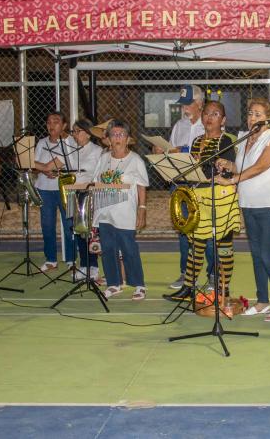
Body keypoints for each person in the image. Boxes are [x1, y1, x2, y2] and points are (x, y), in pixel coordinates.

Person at [216, 97, 270, 322]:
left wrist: (233, 179)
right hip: (248, 203)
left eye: (258, 114)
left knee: (267, 255)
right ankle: (262, 302)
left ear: (268, 117)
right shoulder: (244, 139)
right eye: (250, 113)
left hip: (268, 205)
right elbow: (243, 166)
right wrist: (229, 166)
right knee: (257, 256)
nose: (252, 118)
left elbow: (261, 166)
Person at [164, 101, 241, 302]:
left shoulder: (227, 141)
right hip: (199, 196)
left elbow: (224, 171)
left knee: (224, 245)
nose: (209, 117)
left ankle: (223, 290)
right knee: (196, 245)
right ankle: (188, 287)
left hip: (221, 197)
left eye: (215, 114)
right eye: (206, 113)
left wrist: (202, 166)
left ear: (223, 120)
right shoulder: (197, 141)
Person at [153, 84, 211, 291]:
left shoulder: (209, 124)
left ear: (199, 103)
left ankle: (212, 274)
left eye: (188, 104)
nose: (184, 108)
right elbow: (172, 151)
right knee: (183, 230)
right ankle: (186, 274)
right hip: (180, 183)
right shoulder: (179, 125)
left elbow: (208, 153)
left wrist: (180, 150)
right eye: (183, 104)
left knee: (207, 230)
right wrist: (161, 151)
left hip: (202, 184)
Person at [92, 120, 149, 300]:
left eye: (121, 134)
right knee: (108, 248)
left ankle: (139, 284)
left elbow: (141, 186)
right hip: (105, 211)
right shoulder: (103, 159)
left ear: (127, 138)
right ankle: (114, 283)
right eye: (114, 134)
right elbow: (96, 182)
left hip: (125, 213)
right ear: (108, 139)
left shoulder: (135, 160)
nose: (117, 137)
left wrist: (142, 209)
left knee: (129, 249)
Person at [33, 111, 76, 272]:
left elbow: (67, 163)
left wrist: (45, 166)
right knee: (47, 225)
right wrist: (44, 170)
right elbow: (33, 164)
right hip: (45, 189)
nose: (51, 125)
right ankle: (51, 258)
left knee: (69, 225)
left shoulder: (69, 142)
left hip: (65, 189)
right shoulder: (42, 143)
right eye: (49, 122)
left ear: (64, 125)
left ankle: (71, 258)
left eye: (56, 122)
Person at [68, 118, 106, 282]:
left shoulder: (97, 151)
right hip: (73, 193)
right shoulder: (72, 151)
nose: (75, 135)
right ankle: (84, 265)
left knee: (90, 233)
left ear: (88, 134)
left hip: (89, 194)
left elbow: (96, 174)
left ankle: (93, 267)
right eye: (73, 132)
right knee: (78, 231)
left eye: (78, 131)